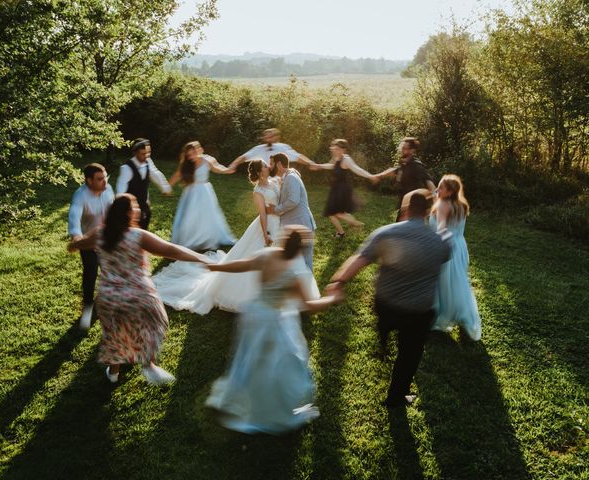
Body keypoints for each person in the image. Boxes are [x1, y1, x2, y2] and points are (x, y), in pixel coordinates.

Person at [204, 226, 342, 434]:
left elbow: (243, 265)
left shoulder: (266, 255)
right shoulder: (295, 272)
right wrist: (332, 298)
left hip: (252, 314)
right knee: (282, 362)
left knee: (251, 358)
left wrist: (217, 267)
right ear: (301, 249)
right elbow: (311, 306)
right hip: (274, 321)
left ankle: (246, 395)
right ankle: (269, 408)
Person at [67, 194, 212, 384]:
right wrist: (202, 258)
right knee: (154, 324)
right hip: (139, 294)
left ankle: (113, 372)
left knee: (116, 334)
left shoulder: (99, 233)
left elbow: (81, 243)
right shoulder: (138, 236)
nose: (138, 209)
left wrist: (74, 244)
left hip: (110, 296)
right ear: (128, 213)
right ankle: (148, 365)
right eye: (134, 206)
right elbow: (170, 250)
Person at [326, 191, 451, 408]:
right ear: (428, 213)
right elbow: (444, 258)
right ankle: (396, 398)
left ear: (405, 211)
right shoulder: (440, 243)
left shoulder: (385, 233)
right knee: (409, 355)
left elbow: (360, 260)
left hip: (386, 304)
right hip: (417, 311)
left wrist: (339, 282)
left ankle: (383, 334)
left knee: (387, 320)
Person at [153, 159, 319, 314]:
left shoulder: (276, 181)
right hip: (267, 225)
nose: (270, 167)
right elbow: (262, 214)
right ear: (261, 172)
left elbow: (286, 193)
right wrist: (265, 234)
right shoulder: (258, 191)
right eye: (266, 167)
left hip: (281, 223)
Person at [430, 175, 481, 340]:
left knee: (444, 283)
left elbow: (441, 228)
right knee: (457, 282)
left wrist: (439, 243)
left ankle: (441, 315)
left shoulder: (443, 204)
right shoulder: (461, 205)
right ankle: (463, 316)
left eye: (441, 188)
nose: (438, 190)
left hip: (447, 247)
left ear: (450, 191)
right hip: (459, 246)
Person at [68, 163, 115, 330]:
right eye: (100, 179)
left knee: (111, 272)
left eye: (105, 178)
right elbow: (74, 216)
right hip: (89, 241)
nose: (105, 182)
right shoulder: (80, 196)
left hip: (109, 239)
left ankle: (109, 303)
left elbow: (113, 211)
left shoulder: (108, 189)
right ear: (89, 180)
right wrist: (77, 237)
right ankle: (88, 308)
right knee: (90, 273)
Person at [167, 141, 237, 251]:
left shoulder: (207, 160)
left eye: (193, 153)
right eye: (189, 155)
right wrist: (168, 187)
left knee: (207, 215)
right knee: (189, 216)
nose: (191, 157)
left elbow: (218, 168)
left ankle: (206, 238)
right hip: (190, 193)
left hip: (204, 192)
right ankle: (188, 239)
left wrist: (228, 170)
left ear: (199, 150)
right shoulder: (186, 163)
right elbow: (177, 175)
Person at [310, 139, 375, 238]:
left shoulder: (346, 160)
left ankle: (355, 224)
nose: (333, 150)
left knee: (334, 213)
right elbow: (331, 165)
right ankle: (341, 232)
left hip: (342, 190)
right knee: (332, 213)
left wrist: (370, 176)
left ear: (343, 150)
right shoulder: (336, 158)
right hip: (336, 188)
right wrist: (319, 166)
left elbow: (357, 169)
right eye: (333, 148)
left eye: (336, 149)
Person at [267, 153, 317, 271]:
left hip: (301, 225)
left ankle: (308, 287)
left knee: (305, 263)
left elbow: (294, 200)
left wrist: (276, 210)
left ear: (279, 164)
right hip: (296, 226)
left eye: (271, 164)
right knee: (298, 263)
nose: (270, 167)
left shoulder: (291, 178)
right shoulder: (288, 177)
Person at [372, 137, 436, 220]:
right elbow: (394, 170)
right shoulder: (405, 164)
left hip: (413, 208)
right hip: (404, 205)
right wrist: (378, 176)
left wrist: (435, 202)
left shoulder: (417, 166)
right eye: (401, 148)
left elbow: (429, 183)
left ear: (412, 151)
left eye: (405, 148)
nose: (402, 151)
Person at [115, 138, 172, 230]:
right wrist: (120, 208)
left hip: (144, 205)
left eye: (148, 152)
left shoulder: (148, 161)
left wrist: (165, 188)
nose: (147, 156)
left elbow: (155, 174)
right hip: (131, 209)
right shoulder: (126, 168)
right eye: (143, 154)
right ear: (135, 153)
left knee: (144, 230)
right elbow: (120, 189)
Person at [228, 128, 317, 170]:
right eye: (266, 136)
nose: (268, 137)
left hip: (280, 180)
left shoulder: (282, 147)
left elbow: (298, 157)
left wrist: (310, 163)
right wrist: (232, 165)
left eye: (271, 136)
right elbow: (243, 157)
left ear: (276, 137)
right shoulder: (258, 149)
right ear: (263, 138)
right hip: (265, 179)